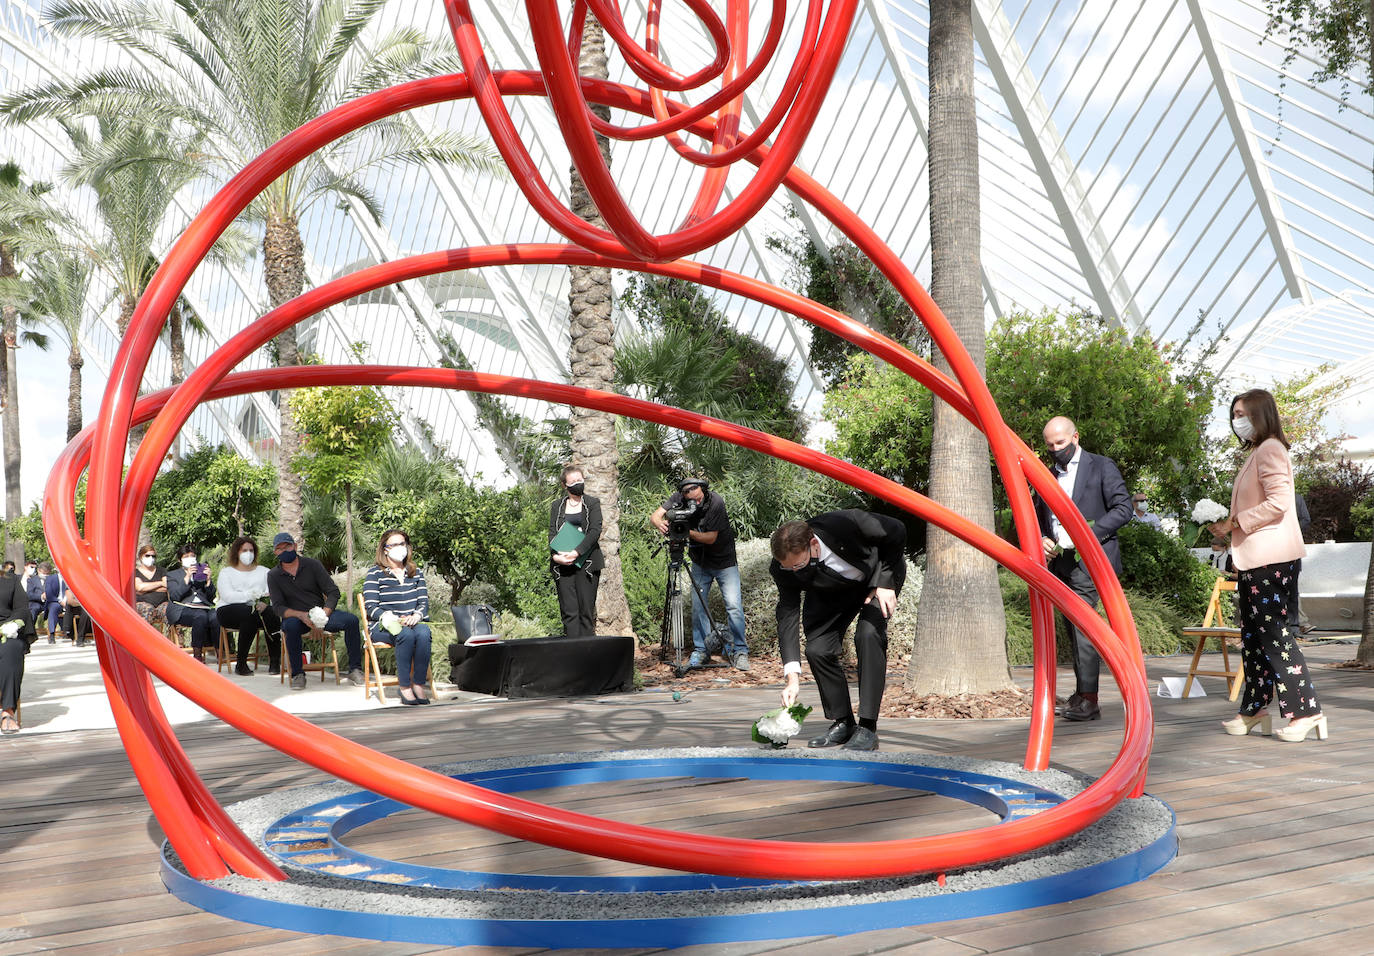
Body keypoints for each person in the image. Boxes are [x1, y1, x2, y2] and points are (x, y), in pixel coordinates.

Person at [1208, 389, 1325, 743]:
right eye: (1234, 414)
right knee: (1254, 637)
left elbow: (1278, 503)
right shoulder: (1259, 451)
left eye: (1242, 413)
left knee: (1274, 635)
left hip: (1270, 560)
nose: (1236, 420)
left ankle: (1306, 711)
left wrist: (1235, 523)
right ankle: (1254, 710)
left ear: (1261, 414)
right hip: (1255, 559)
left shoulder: (1272, 449)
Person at [772, 510, 906, 752]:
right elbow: (787, 614)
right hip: (832, 593)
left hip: (876, 580)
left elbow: (896, 528)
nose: (795, 572)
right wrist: (792, 679)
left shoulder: (845, 524)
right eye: (788, 568)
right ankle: (843, 722)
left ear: (813, 544)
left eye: (799, 564)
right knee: (817, 649)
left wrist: (885, 582)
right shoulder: (785, 567)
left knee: (867, 634)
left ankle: (867, 728)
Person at [1034, 416, 1134, 723]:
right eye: (1049, 445)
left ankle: (1090, 699)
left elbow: (1123, 509)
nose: (1054, 449)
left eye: (1060, 443)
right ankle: (1081, 693)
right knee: (1071, 627)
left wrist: (1084, 534)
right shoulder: (1045, 473)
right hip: (1061, 562)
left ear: (1075, 437)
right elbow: (1039, 514)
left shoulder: (1101, 466)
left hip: (1092, 560)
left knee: (1083, 627)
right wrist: (1043, 539)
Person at [651, 477, 749, 671]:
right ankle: (701, 651)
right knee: (698, 607)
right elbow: (655, 516)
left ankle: (740, 651)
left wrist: (685, 532)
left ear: (702, 489)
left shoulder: (716, 502)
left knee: (733, 606)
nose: (691, 495)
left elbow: (711, 538)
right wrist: (660, 524)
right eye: (686, 492)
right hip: (699, 562)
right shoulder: (678, 498)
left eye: (695, 491)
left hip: (724, 562)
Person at [267, 531, 364, 691]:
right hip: (296, 618)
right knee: (290, 627)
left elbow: (333, 592)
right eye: (280, 548)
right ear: (275, 552)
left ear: (295, 546)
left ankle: (355, 669)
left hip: (321, 613)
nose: (285, 551)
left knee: (352, 621)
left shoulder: (312, 565)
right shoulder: (273, 575)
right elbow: (278, 607)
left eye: (288, 546)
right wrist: (301, 615)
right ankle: (297, 674)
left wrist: (322, 617)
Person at [361, 529, 432, 705]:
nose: (401, 548)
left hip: (412, 623)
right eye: (395, 544)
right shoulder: (375, 574)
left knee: (424, 632)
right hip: (383, 626)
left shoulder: (416, 572)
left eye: (403, 543)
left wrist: (417, 615)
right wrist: (390, 617)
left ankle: (418, 684)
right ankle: (405, 687)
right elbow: (371, 607)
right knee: (405, 635)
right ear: (385, 549)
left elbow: (423, 602)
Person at [548, 465, 603, 637]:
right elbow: (552, 533)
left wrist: (577, 552)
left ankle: (587, 656)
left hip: (586, 563)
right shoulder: (557, 506)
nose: (578, 484)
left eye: (580, 480)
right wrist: (556, 557)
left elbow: (595, 530)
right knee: (569, 613)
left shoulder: (592, 503)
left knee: (586, 613)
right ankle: (571, 653)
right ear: (565, 485)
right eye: (573, 482)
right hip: (563, 565)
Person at [216, 536, 282, 676]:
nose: (248, 554)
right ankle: (241, 663)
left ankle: (275, 661)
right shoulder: (226, 572)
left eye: (251, 550)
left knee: (272, 613)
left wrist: (264, 602)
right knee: (248, 614)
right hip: (229, 610)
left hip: (259, 610)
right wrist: (252, 596)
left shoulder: (264, 571)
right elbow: (228, 596)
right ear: (237, 552)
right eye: (244, 550)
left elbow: (272, 593)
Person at [0, 568, 37, 734]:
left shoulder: (10, 580)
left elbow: (22, 608)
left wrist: (13, 624)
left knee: (12, 648)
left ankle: (7, 711)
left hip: (6, 631)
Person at [166, 545, 218, 662]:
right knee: (200, 616)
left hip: (202, 606)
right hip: (182, 608)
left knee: (216, 616)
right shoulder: (172, 575)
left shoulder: (201, 570)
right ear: (180, 560)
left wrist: (208, 581)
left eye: (193, 556)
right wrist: (187, 577)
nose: (190, 558)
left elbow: (211, 597)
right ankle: (197, 654)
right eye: (186, 556)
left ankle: (220, 651)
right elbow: (175, 596)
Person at [132, 544, 169, 629]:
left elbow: (166, 586)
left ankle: (168, 640)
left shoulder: (161, 571)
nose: (150, 558)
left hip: (162, 603)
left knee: (169, 611)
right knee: (148, 610)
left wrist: (146, 589)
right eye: (147, 555)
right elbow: (140, 587)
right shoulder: (135, 572)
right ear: (141, 556)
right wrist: (160, 583)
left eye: (153, 556)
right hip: (143, 603)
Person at [40, 562, 63, 641]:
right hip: (56, 601)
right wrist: (60, 601)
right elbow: (49, 595)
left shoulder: (71, 577)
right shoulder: (51, 578)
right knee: (54, 607)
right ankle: (52, 634)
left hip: (70, 601)